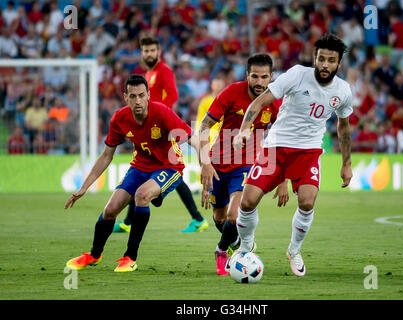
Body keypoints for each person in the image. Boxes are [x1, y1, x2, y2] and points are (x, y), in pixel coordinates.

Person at [231, 34, 353, 277]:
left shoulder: (344, 91)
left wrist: (346, 164)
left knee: (307, 201)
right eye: (321, 59)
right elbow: (261, 101)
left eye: (331, 60)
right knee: (247, 201)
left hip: (308, 152)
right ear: (315, 58)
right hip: (275, 147)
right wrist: (244, 129)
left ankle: (294, 250)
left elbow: (344, 126)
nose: (325, 65)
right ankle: (245, 246)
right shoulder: (297, 74)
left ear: (339, 63)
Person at [65, 75, 198, 272]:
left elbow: (192, 138)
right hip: (139, 167)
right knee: (110, 210)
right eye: (133, 96)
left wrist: (208, 166)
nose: (137, 101)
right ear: (125, 97)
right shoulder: (119, 118)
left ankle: (130, 257)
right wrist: (84, 186)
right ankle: (94, 255)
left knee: (142, 195)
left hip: (169, 167)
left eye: (141, 96)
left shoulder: (162, 112)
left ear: (148, 96)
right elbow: (106, 156)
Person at [199, 54, 284, 275]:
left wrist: (283, 179)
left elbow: (283, 137)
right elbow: (204, 126)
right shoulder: (230, 93)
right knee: (219, 217)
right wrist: (205, 163)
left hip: (247, 165)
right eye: (254, 76)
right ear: (247, 75)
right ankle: (236, 243)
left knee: (234, 215)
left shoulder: (274, 101)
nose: (259, 82)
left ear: (271, 77)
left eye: (264, 77)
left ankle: (220, 250)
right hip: (218, 164)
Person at [114, 36, 208, 234]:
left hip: (161, 128)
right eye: (145, 51)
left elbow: (172, 95)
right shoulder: (148, 74)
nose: (149, 54)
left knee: (166, 170)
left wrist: (161, 119)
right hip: (147, 128)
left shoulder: (164, 71)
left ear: (158, 52)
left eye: (152, 51)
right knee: (147, 168)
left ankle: (197, 218)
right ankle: (130, 220)